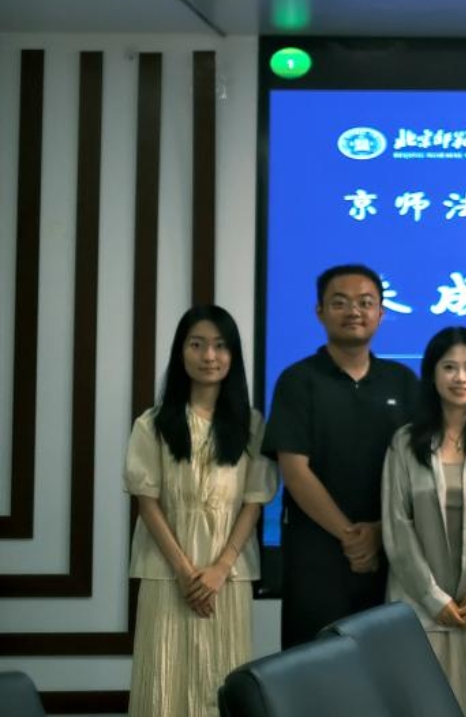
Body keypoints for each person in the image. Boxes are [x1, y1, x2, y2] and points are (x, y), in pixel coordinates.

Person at [125, 305, 276, 717]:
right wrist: (184, 571)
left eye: (220, 346)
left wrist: (220, 568)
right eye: (197, 345)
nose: (209, 356)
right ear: (181, 352)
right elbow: (147, 502)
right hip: (166, 572)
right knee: (164, 681)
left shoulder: (251, 426)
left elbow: (253, 502)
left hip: (228, 576)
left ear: (233, 355)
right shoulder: (152, 424)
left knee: (220, 680)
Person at [263, 264, 418, 646]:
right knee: (313, 664)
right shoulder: (298, 380)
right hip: (315, 555)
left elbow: (418, 472)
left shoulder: (403, 382)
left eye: (365, 303)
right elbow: (295, 471)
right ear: (320, 311)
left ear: (381, 312)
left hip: (389, 554)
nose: (354, 312)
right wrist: (351, 537)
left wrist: (379, 533)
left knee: (384, 664)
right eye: (340, 302)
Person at [382, 326, 466, 716]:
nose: (461, 378)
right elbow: (397, 525)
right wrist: (433, 597)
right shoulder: (405, 443)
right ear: (432, 373)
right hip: (420, 606)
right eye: (449, 367)